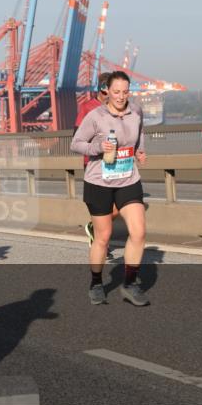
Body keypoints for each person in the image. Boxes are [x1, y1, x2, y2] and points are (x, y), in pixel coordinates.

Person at [71, 70, 150, 307]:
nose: (121, 96)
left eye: (125, 92)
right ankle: (96, 283)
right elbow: (76, 143)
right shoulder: (96, 116)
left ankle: (130, 284)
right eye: (116, 92)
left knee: (139, 232)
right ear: (107, 91)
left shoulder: (135, 111)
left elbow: (140, 134)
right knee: (103, 238)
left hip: (128, 179)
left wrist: (140, 151)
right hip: (99, 182)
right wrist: (97, 147)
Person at [77, 73, 116, 261]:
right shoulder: (87, 107)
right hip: (93, 163)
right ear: (103, 89)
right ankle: (102, 244)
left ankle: (94, 227)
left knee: (120, 205)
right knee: (102, 205)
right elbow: (77, 136)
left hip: (115, 162)